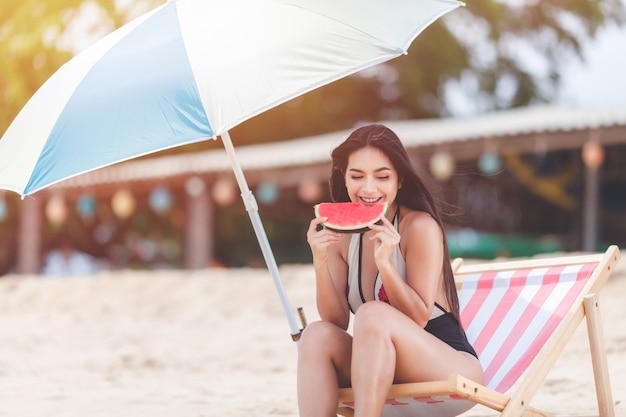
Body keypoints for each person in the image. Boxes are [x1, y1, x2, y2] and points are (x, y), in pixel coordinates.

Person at [297, 124, 484, 417]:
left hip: (446, 368)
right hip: (377, 368)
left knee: (372, 313)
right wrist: (320, 261)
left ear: (399, 181)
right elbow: (335, 320)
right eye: (357, 176)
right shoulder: (340, 237)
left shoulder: (419, 227)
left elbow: (419, 316)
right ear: (344, 178)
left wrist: (386, 263)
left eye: (382, 177)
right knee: (315, 334)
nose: (369, 188)